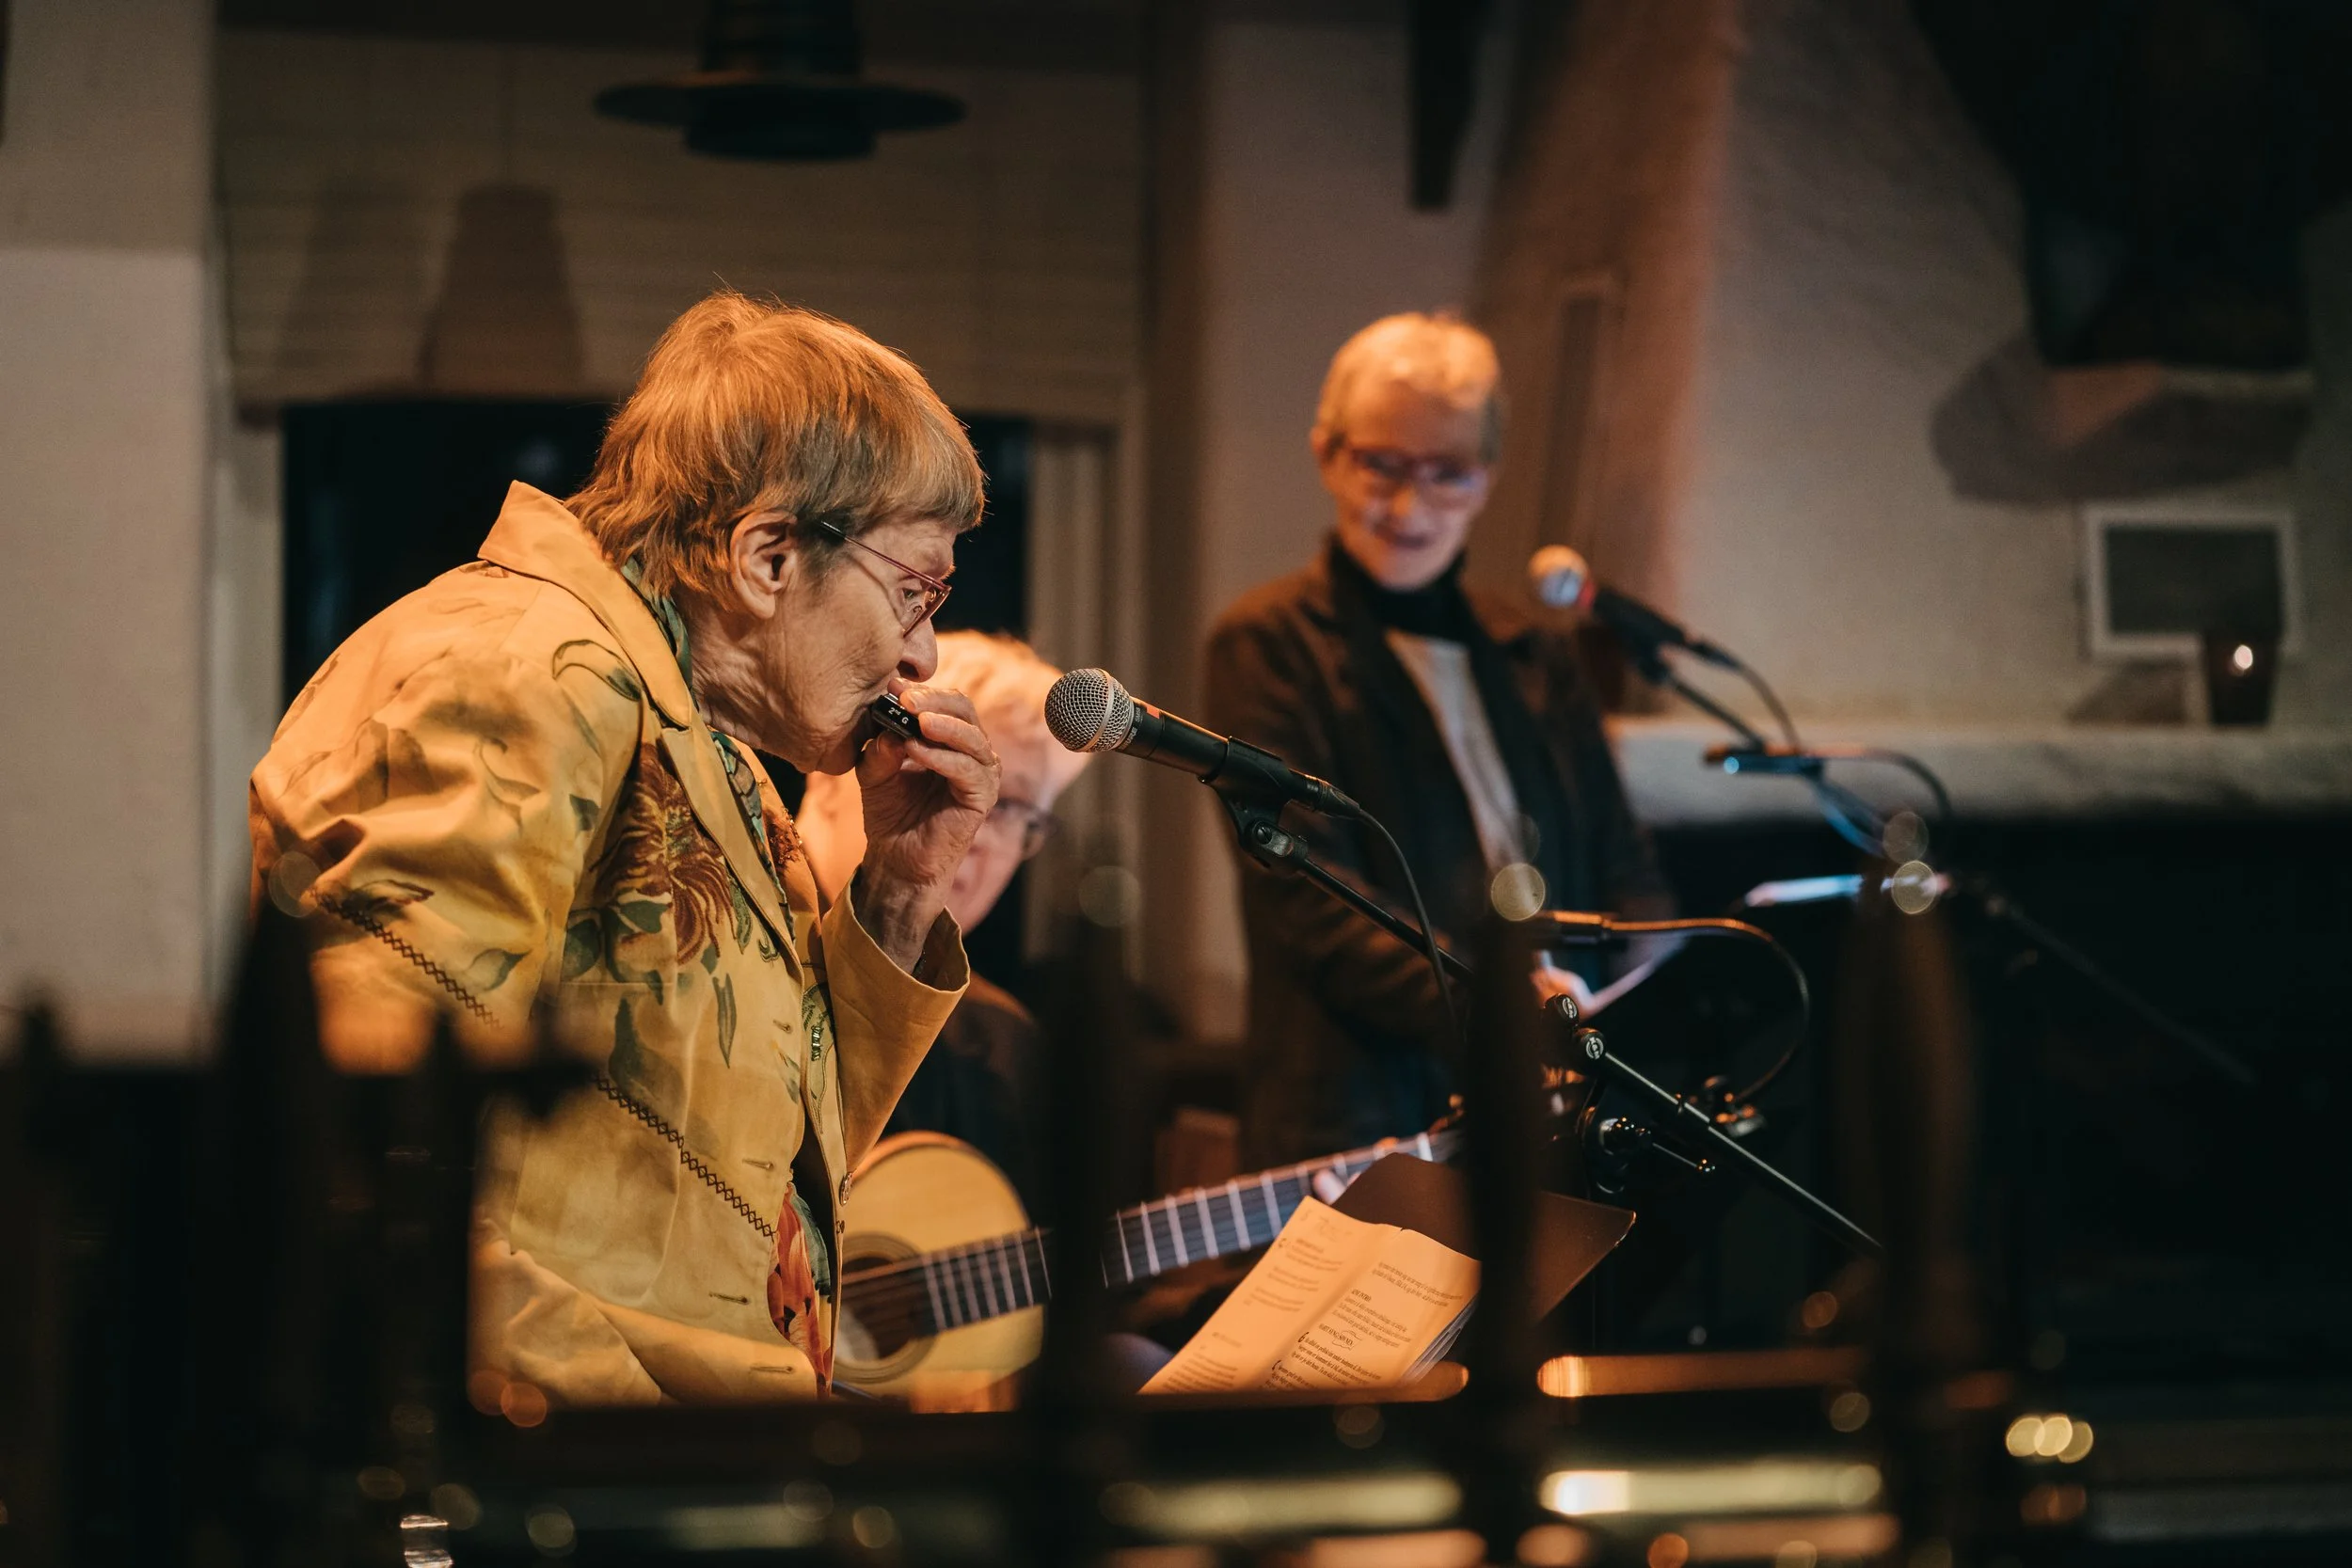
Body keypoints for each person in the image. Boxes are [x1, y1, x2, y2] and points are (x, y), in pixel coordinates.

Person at [248, 292, 1000, 1405]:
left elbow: (777, 1182)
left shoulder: (714, 747)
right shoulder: (519, 673)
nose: (925, 655)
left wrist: (897, 889)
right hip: (556, 1465)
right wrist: (677, 1450)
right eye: (915, 589)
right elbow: (376, 1161)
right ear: (768, 555)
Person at [1204, 311, 1671, 1166]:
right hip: (1367, 1108)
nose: (1409, 505)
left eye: (1447, 472)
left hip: (1555, 1097)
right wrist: (1505, 1003)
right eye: (1381, 464)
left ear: (1486, 480)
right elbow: (1309, 899)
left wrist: (1623, 995)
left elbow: (1623, 859)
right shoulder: (1267, 643)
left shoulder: (1537, 647)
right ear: (1327, 454)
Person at [795, 630, 1091, 1210]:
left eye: (1010, 808)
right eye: (944, 776)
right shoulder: (735, 937)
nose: (971, 825)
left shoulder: (1006, 1047)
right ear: (838, 767)